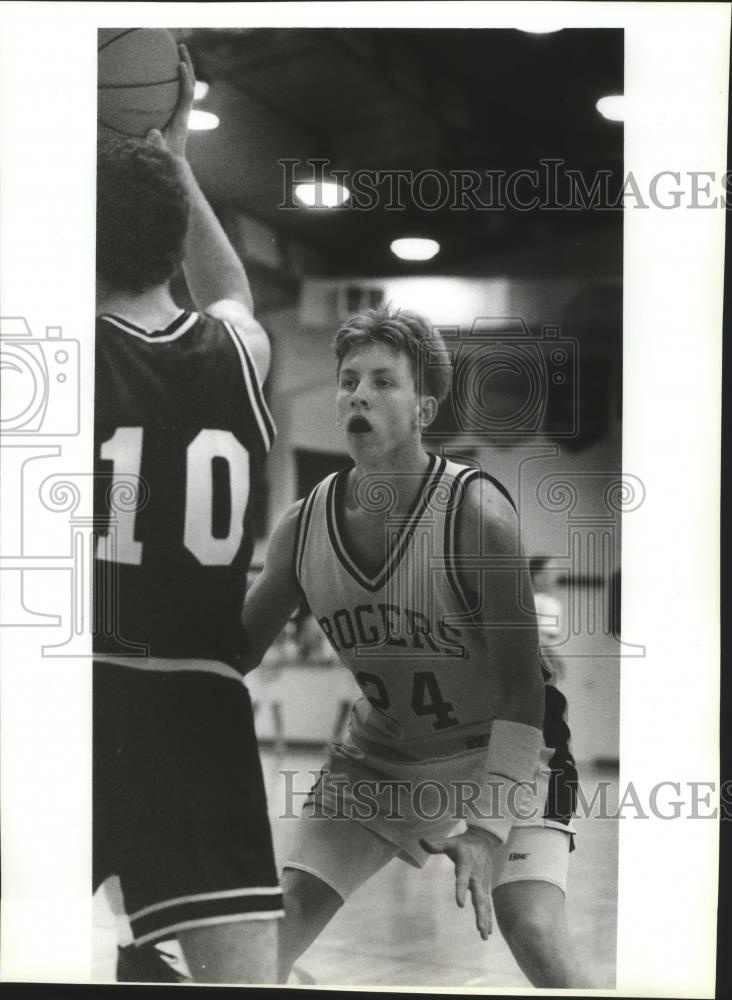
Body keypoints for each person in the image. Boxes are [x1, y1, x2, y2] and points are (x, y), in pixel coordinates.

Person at [239, 305, 588, 988]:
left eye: (383, 381)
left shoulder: (478, 517)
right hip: (382, 758)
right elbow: (234, 654)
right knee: (267, 945)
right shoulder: (300, 528)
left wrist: (486, 833)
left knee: (535, 932)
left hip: (505, 748)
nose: (358, 394)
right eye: (347, 380)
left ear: (424, 405)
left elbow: (524, 695)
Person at [93, 46, 282, 984]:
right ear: (171, 242)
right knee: (241, 976)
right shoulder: (236, 354)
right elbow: (234, 295)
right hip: (204, 708)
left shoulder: (58, 360)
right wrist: (173, 156)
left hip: (78, 693)